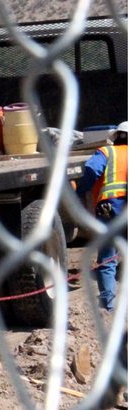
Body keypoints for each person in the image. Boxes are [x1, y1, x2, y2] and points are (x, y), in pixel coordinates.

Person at [76, 121, 127, 313]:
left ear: (116, 137)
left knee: (108, 257)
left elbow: (91, 171)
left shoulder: (106, 152)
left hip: (111, 209)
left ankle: (108, 304)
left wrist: (79, 192)